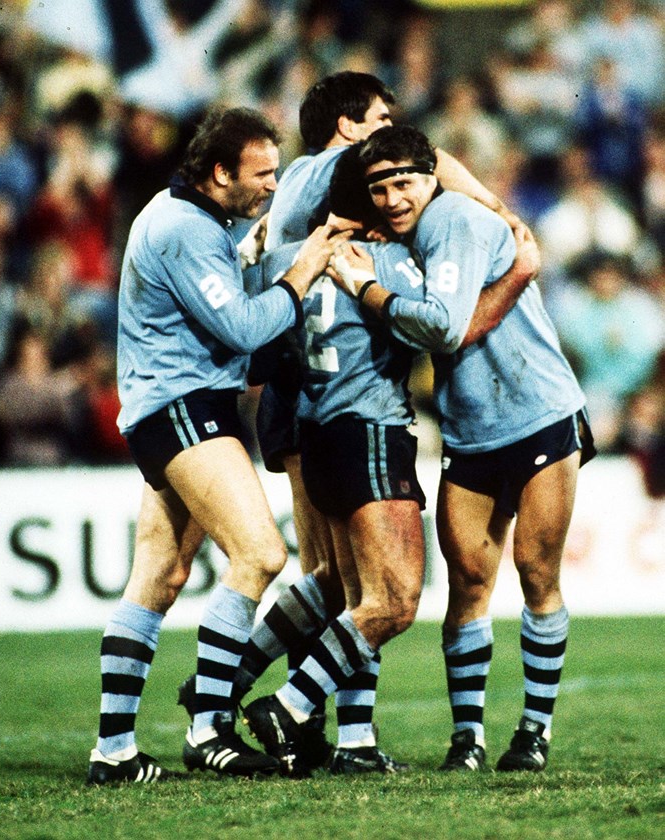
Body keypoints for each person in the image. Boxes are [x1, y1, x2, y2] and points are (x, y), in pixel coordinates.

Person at [178, 70, 535, 774]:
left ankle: (255, 699)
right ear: (350, 136)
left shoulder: (289, 250)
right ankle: (297, 712)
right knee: (385, 595)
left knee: (338, 584)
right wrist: (505, 241)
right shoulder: (356, 226)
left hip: (304, 408)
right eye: (381, 176)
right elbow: (443, 329)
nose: (394, 190)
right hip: (358, 421)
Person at [86, 106, 352, 785]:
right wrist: (304, 271)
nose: (271, 186)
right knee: (260, 553)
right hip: (183, 408)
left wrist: (250, 254)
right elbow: (240, 328)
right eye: (261, 175)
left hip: (173, 405)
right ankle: (208, 727)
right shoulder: (181, 229)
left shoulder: (199, 224)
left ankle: (113, 750)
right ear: (218, 172)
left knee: (161, 574)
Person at [327, 124, 595, 773]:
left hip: (538, 414)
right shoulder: (411, 230)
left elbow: (444, 328)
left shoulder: (452, 220)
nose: (391, 197)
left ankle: (533, 730)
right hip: (471, 427)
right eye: (379, 187)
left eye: (403, 182)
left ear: (431, 178)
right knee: (470, 584)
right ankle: (468, 739)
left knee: (535, 572)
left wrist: (367, 289)